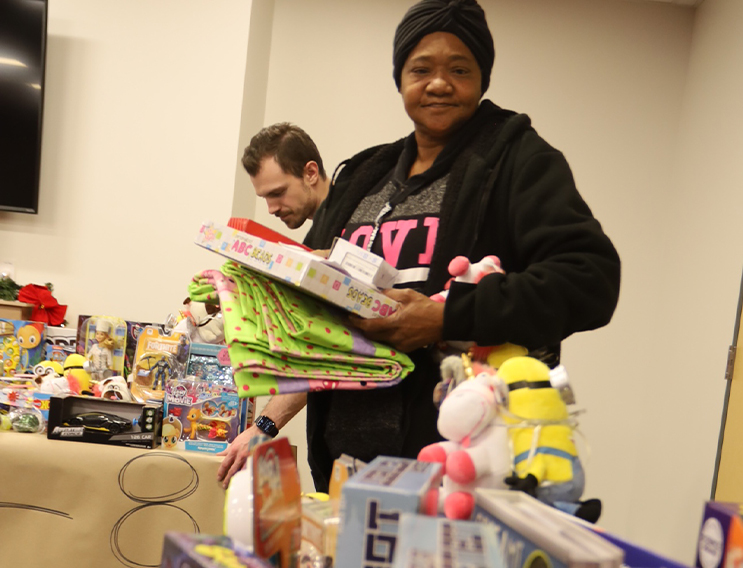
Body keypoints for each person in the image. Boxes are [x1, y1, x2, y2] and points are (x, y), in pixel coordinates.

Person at [218, 0, 621, 492]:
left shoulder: (519, 162)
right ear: (400, 77)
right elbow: (315, 300)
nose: (438, 82)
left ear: (482, 76)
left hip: (461, 473)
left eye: (459, 68)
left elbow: (590, 280)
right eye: (421, 68)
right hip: (345, 471)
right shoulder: (365, 177)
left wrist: (444, 318)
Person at [242, 122, 330, 230]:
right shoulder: (322, 233)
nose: (271, 209)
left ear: (311, 173)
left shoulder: (354, 226)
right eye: (265, 197)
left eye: (277, 193)